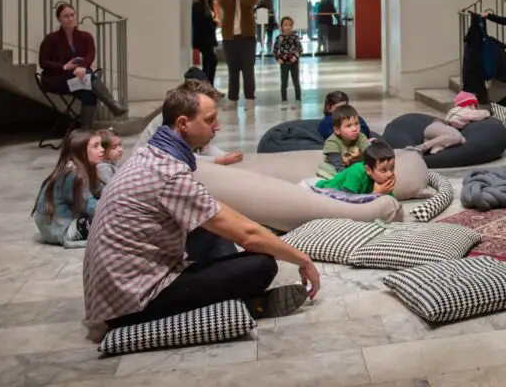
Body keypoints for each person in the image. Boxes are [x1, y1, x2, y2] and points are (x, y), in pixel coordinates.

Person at [83, 80, 320, 339]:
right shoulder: (169, 174)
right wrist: (303, 259)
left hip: (117, 290)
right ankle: (242, 304)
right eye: (210, 120)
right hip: (129, 305)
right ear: (183, 123)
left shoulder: (151, 153)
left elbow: (219, 216)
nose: (217, 127)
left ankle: (229, 296)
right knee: (262, 264)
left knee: (212, 227)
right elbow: (247, 235)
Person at [39, 3, 128, 127]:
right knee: (88, 76)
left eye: (72, 15)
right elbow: (43, 62)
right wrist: (65, 67)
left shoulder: (86, 37)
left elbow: (90, 56)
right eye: (65, 16)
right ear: (59, 19)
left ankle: (84, 132)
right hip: (56, 80)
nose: (70, 19)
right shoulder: (51, 38)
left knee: (89, 93)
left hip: (79, 78)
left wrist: (81, 67)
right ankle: (112, 104)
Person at [32, 129, 103, 247]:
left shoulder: (82, 168)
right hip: (60, 228)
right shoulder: (73, 174)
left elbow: (99, 190)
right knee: (113, 222)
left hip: (57, 224)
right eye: (96, 146)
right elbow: (91, 207)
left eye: (101, 145)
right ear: (80, 151)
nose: (102, 149)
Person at [217, 0, 258, 112]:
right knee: (232, 70)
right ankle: (232, 99)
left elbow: (254, 0)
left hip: (247, 38)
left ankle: (250, 99)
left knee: (248, 69)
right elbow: (221, 0)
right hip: (230, 39)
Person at [313, 141, 396, 196]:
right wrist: (376, 194)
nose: (390, 174)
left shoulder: (383, 179)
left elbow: (391, 203)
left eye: (392, 168)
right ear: (368, 170)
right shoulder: (356, 172)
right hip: (325, 190)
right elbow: (347, 200)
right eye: (383, 170)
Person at [322, 106, 370, 172]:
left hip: (354, 168)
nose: (354, 129)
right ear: (337, 130)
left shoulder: (361, 137)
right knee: (324, 168)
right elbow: (338, 165)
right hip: (337, 169)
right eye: (349, 126)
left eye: (356, 124)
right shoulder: (332, 142)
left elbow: (370, 155)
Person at [191, 0, 220, 84]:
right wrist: (214, 22)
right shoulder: (197, 5)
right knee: (213, 61)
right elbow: (199, 23)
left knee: (207, 62)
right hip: (203, 39)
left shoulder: (209, 5)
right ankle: (208, 84)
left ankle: (206, 85)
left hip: (209, 38)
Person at [273, 16, 303, 108]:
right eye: (286, 25)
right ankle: (284, 99)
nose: (288, 27)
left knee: (296, 81)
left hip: (294, 63)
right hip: (284, 63)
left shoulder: (295, 38)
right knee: (284, 81)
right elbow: (275, 50)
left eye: (290, 25)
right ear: (281, 26)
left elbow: (300, 49)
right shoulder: (279, 38)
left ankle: (298, 99)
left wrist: (295, 57)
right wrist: (278, 58)